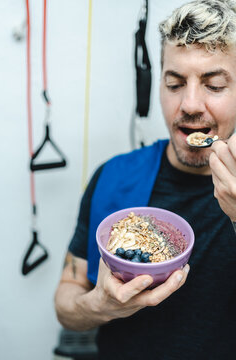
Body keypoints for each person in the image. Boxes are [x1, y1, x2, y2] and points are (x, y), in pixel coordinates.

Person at [54, 0, 236, 359]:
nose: (190, 104)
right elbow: (66, 302)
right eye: (174, 83)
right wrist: (99, 306)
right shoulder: (113, 177)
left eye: (214, 85)